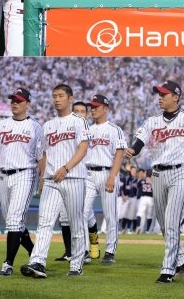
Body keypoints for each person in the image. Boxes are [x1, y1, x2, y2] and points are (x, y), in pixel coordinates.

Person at [126, 80, 184, 283]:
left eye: (164, 94)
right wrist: (133, 149)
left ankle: (168, 269)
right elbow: (140, 140)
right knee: (164, 223)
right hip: (157, 173)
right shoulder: (152, 121)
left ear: (175, 97)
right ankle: (181, 258)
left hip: (180, 172)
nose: (160, 97)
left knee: (172, 219)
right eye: (159, 93)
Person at [21, 84, 91, 278]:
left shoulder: (79, 121)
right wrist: (43, 178)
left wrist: (67, 168)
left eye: (61, 95)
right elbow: (43, 154)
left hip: (74, 178)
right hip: (52, 179)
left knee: (76, 223)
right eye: (54, 96)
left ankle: (76, 264)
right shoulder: (48, 125)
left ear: (70, 98)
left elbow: (83, 148)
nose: (57, 99)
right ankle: (37, 262)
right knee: (44, 222)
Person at [0, 87, 43, 276]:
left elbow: (40, 157)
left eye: (19, 101)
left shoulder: (35, 126)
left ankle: (7, 263)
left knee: (13, 220)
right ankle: (34, 252)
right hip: (3, 176)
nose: (14, 103)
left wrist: (43, 179)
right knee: (14, 222)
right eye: (13, 100)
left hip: (25, 174)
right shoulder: (1, 125)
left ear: (28, 104)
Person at [83, 94, 126, 264]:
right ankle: (85, 249)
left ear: (105, 109)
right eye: (91, 107)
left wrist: (112, 176)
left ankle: (110, 251)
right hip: (88, 174)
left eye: (96, 106)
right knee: (82, 212)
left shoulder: (115, 129)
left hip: (108, 173)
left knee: (110, 215)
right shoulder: (87, 129)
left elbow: (119, 154)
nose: (93, 109)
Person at [55, 100, 90, 263]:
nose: (79, 113)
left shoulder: (88, 130)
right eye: (76, 110)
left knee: (84, 216)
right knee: (64, 217)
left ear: (87, 114)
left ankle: (89, 250)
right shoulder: (65, 128)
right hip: (64, 175)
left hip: (83, 176)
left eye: (82, 111)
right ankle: (69, 251)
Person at [135, 168, 154, 234]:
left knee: (139, 213)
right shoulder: (153, 181)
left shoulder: (142, 180)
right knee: (149, 215)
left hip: (143, 198)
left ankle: (138, 226)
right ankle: (148, 230)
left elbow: (138, 185)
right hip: (151, 199)